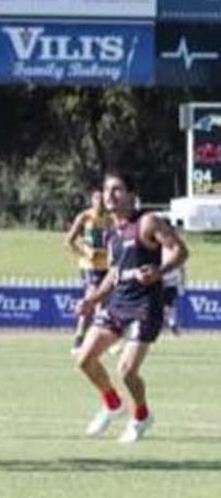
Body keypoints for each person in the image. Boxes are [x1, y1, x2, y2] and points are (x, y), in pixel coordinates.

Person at [75, 173, 187, 444]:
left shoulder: (148, 222)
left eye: (117, 190)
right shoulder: (110, 232)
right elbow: (114, 272)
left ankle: (141, 415)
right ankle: (113, 404)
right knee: (84, 359)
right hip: (118, 304)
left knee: (126, 370)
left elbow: (179, 251)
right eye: (106, 190)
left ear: (130, 194)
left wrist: (160, 271)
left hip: (145, 306)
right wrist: (93, 298)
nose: (110, 195)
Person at [65, 190, 111, 352]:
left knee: (103, 305)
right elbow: (69, 241)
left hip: (107, 267)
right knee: (91, 299)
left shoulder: (110, 219)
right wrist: (85, 253)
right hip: (90, 267)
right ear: (92, 200)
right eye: (97, 198)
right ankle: (79, 339)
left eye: (102, 199)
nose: (100, 202)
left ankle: (97, 340)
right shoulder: (85, 217)